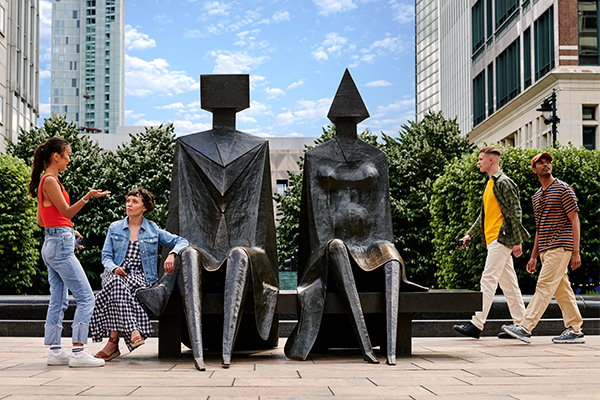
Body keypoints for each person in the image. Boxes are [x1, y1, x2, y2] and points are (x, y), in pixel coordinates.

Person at [30, 137, 110, 368]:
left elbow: (41, 219)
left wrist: (67, 231)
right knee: (87, 297)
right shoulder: (50, 180)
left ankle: (55, 351)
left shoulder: (46, 181)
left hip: (53, 243)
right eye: (67, 155)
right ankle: (78, 351)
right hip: (59, 246)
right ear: (56, 156)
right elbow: (66, 211)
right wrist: (87, 197)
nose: (69, 159)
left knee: (59, 299)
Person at [90, 188, 189, 360]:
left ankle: (112, 343)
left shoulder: (153, 230)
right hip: (115, 273)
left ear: (144, 207)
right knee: (116, 282)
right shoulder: (115, 228)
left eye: (135, 201)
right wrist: (114, 268)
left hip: (141, 278)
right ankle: (134, 331)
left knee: (116, 287)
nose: (129, 204)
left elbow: (182, 241)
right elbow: (106, 257)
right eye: (128, 201)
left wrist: (173, 254)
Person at [503, 153, 585, 344]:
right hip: (545, 250)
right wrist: (533, 257)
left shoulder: (564, 189)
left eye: (547, 161)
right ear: (534, 169)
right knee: (562, 290)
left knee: (544, 285)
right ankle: (575, 329)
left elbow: (575, 221)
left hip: (561, 245)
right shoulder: (537, 196)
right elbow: (540, 228)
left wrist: (575, 252)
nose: (545, 164)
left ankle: (525, 327)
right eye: (540, 163)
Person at [453, 145, 529, 340]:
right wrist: (469, 235)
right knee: (510, 284)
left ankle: (476, 324)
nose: (478, 162)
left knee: (488, 280)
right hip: (493, 239)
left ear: (491, 160)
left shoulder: (504, 182)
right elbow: (484, 215)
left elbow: (515, 211)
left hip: (501, 239)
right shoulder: (489, 184)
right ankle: (522, 325)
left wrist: (517, 240)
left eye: (480, 159)